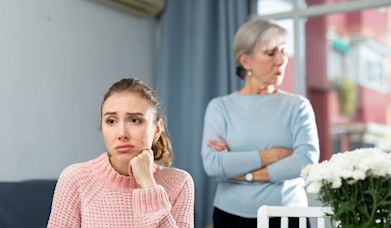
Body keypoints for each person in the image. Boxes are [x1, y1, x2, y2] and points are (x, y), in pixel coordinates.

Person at [201, 19, 319, 228]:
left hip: (288, 216)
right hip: (230, 216)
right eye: (271, 52)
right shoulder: (220, 107)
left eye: (283, 51)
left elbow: (306, 160)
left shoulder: (298, 106)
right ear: (245, 61)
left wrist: (245, 174)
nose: (282, 59)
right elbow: (213, 164)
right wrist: (271, 155)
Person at [48, 78, 194, 227]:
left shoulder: (180, 183)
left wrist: (148, 184)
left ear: (157, 129)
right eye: (111, 121)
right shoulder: (75, 179)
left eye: (135, 120)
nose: (122, 134)